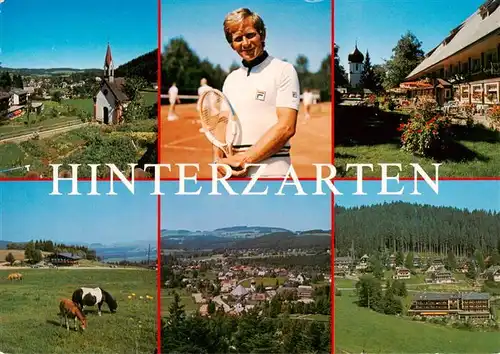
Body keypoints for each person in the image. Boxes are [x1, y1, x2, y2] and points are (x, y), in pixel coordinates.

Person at [215, 7, 300, 178]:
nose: (245, 43)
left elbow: (286, 127)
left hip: (274, 172)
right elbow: (221, 125)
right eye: (238, 39)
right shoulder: (230, 79)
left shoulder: (284, 70)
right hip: (234, 174)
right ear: (232, 45)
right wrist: (218, 161)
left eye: (250, 35)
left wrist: (245, 159)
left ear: (262, 35)